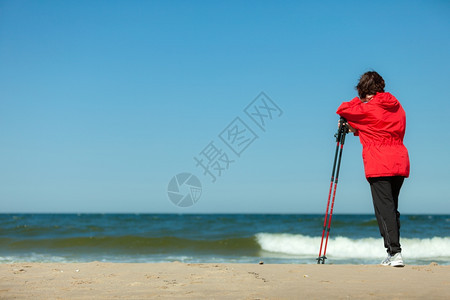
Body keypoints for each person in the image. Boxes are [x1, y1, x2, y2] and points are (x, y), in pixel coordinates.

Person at [336, 71, 410, 267]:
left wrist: (360, 99)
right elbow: (377, 126)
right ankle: (393, 252)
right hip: (399, 160)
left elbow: (342, 109)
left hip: (379, 163)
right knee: (391, 209)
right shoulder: (396, 106)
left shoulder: (367, 108)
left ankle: (394, 253)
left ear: (365, 90)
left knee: (383, 210)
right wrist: (357, 129)